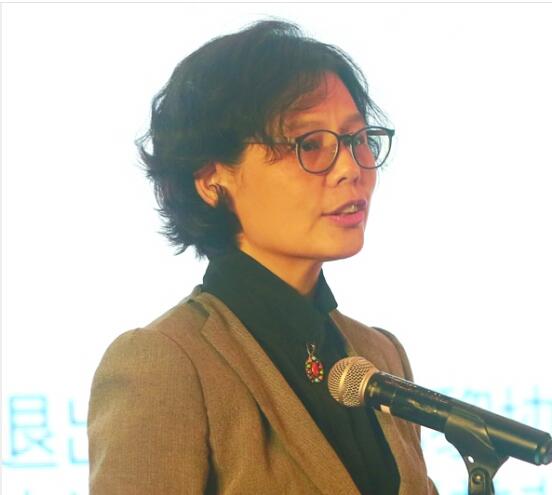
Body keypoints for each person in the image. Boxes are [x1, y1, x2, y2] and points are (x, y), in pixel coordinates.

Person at [87, 20, 438, 495]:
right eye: (309, 144)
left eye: (357, 139)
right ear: (212, 179)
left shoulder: (378, 354)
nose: (350, 169)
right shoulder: (165, 363)